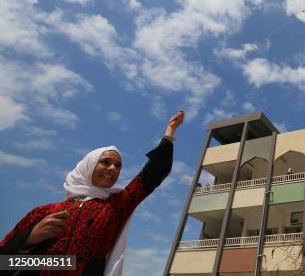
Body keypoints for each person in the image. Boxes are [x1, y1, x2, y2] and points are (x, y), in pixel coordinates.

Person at [0, 110, 185, 275]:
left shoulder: (116, 207)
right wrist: (28, 240)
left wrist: (170, 133)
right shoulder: (43, 212)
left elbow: (152, 175)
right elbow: (4, 262)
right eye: (105, 162)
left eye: (118, 166)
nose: (113, 169)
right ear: (88, 166)